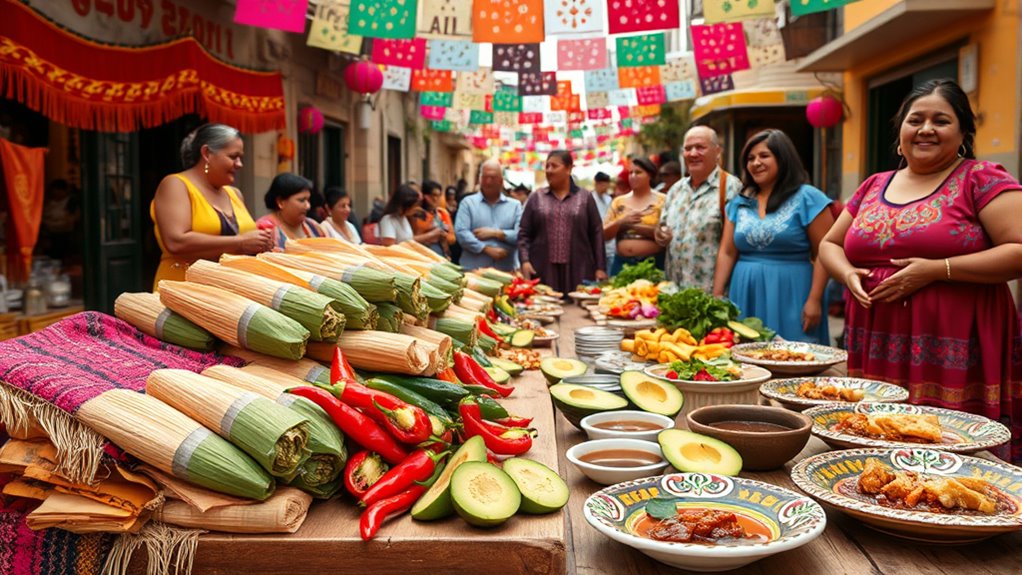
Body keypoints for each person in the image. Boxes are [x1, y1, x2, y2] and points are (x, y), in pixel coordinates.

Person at [819, 79, 1022, 462]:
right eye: (916, 120)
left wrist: (936, 270)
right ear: (900, 132)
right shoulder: (873, 185)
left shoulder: (981, 179)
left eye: (941, 120)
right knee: (878, 438)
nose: (926, 128)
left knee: (950, 446)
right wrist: (847, 274)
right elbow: (829, 244)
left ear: (962, 132)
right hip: (876, 335)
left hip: (954, 340)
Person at [712, 129, 834, 343]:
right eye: (750, 158)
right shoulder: (738, 202)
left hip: (793, 293)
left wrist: (814, 299)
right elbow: (727, 252)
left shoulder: (809, 198)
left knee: (796, 357)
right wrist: (718, 295)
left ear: (783, 158)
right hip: (744, 292)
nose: (756, 163)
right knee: (747, 360)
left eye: (764, 156)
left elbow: (826, 251)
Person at [151, 123, 273, 288]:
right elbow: (176, 241)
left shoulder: (234, 194)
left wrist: (260, 244)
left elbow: (244, 243)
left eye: (241, 158)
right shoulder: (175, 185)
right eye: (233, 156)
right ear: (207, 153)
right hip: (182, 289)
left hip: (229, 291)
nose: (239, 164)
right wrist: (240, 242)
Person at [655, 126, 743, 291]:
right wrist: (660, 235)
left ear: (717, 151)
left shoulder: (731, 188)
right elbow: (662, 228)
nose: (693, 154)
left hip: (711, 296)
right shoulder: (675, 190)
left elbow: (735, 247)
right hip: (674, 293)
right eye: (688, 149)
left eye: (700, 147)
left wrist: (718, 293)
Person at [518, 150, 607, 294]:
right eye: (547, 166)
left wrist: (600, 268)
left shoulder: (585, 198)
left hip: (579, 269)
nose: (549, 170)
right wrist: (525, 261)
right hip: (542, 270)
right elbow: (524, 233)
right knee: (544, 309)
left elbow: (596, 232)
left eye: (554, 166)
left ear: (569, 169)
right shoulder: (537, 197)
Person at [455, 159, 522, 272]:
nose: (488, 181)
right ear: (480, 179)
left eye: (492, 177)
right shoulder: (468, 203)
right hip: (473, 273)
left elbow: (521, 235)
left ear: (501, 181)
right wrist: (486, 249)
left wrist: (496, 233)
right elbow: (461, 233)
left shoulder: (515, 206)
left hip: (506, 272)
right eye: (485, 177)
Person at [602, 157, 666, 274]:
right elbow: (604, 235)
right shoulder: (619, 202)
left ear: (650, 175)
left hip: (653, 264)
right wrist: (621, 222)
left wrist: (633, 227)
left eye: (638, 172)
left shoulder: (663, 201)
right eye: (631, 173)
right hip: (622, 264)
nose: (633, 176)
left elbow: (666, 235)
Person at [256, 173, 327, 249]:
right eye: (301, 200)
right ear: (280, 202)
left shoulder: (313, 226)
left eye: (308, 200)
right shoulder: (264, 229)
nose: (308, 206)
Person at [378, 184, 444, 247]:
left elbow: (409, 238)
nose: (415, 208)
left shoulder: (403, 217)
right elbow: (389, 248)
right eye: (414, 206)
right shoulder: (388, 220)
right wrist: (430, 235)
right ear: (405, 205)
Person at [411, 180, 455, 257]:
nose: (436, 199)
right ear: (425, 196)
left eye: (439, 195)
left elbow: (452, 239)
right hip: (421, 254)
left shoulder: (442, 213)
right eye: (434, 195)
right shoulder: (415, 213)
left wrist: (444, 236)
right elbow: (412, 237)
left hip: (441, 253)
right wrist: (431, 233)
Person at [592, 171, 615, 265]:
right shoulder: (590, 198)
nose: (604, 187)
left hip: (609, 242)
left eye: (606, 184)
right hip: (595, 238)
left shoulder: (608, 198)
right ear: (597, 184)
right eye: (602, 184)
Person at [445, 185, 462, 263]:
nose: (451, 196)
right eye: (450, 194)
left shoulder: (457, 204)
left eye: (453, 194)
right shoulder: (444, 204)